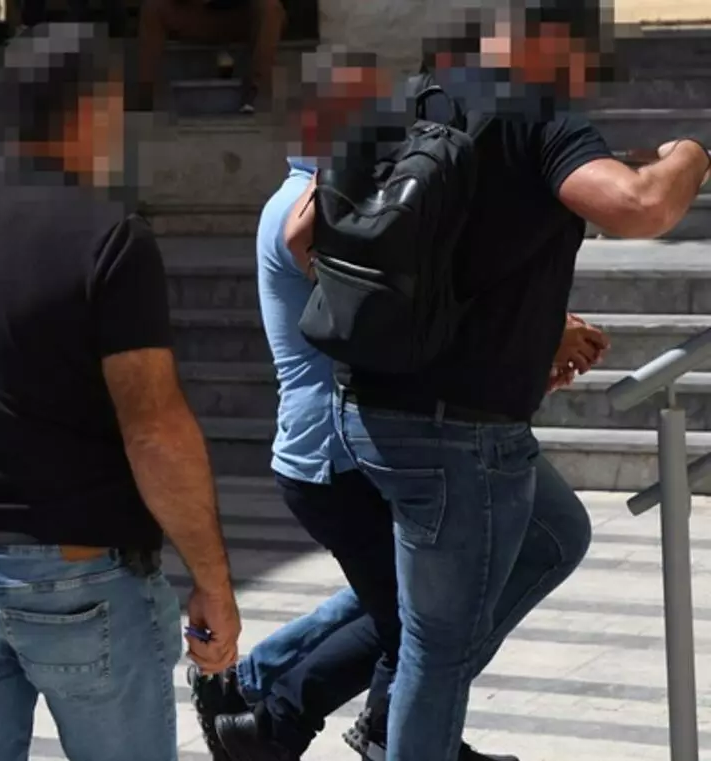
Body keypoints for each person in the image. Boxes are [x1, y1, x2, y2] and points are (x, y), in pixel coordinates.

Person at [286, 3, 711, 759]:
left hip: (367, 406)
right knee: (437, 649)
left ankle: (395, 714)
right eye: (585, 58)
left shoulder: (405, 98)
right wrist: (692, 154)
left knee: (556, 534)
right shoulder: (538, 116)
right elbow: (640, 206)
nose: (587, 78)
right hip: (458, 433)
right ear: (553, 42)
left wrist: (474, 325)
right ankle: (398, 729)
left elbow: (300, 237)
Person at [190, 47, 610, 761]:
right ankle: (303, 719)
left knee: (464, 585)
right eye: (369, 105)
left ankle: (288, 696)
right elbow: (380, 299)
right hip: (343, 450)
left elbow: (429, 297)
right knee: (420, 626)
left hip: (376, 433)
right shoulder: (321, 202)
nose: (396, 116)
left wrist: (525, 341)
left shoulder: (366, 189)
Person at [0, 22, 241, 760]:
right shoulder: (111, 238)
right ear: (91, 110)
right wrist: (213, 581)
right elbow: (154, 428)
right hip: (76, 571)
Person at [134, 0, 285, 113]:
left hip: (240, 17)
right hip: (197, 15)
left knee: (271, 9)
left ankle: (257, 95)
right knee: (152, 8)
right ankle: (145, 101)